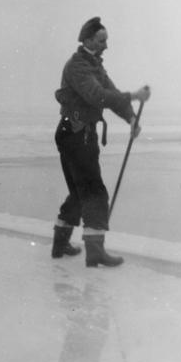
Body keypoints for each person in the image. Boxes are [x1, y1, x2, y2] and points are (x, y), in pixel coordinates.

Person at [51, 17, 151, 267]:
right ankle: (95, 251)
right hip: (74, 133)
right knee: (93, 191)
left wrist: (130, 118)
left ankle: (60, 244)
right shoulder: (77, 66)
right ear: (87, 40)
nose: (106, 45)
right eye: (101, 40)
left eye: (106, 40)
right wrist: (135, 95)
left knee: (79, 191)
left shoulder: (94, 65)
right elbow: (97, 96)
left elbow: (113, 95)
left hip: (79, 133)